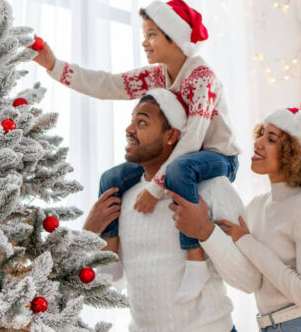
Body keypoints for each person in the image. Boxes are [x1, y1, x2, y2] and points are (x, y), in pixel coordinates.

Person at [34, 0, 241, 302]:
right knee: (113, 177)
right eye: (145, 35)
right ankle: (111, 257)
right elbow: (108, 84)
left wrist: (155, 189)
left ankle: (194, 259)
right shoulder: (157, 75)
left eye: (153, 34)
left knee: (181, 170)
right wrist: (54, 66)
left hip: (215, 157)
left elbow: (194, 136)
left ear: (175, 36)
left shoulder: (201, 78)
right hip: (179, 154)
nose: (145, 42)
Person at [168, 96, 301, 332]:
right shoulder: (256, 207)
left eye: (271, 138)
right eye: (261, 133)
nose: (258, 142)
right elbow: (251, 279)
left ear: (294, 153)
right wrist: (204, 230)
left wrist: (246, 241)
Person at [82, 89, 256, 331]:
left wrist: (206, 231)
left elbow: (250, 280)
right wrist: (89, 232)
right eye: (131, 120)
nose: (129, 129)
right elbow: (115, 281)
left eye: (142, 122)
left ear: (171, 136)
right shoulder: (123, 197)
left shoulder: (212, 188)